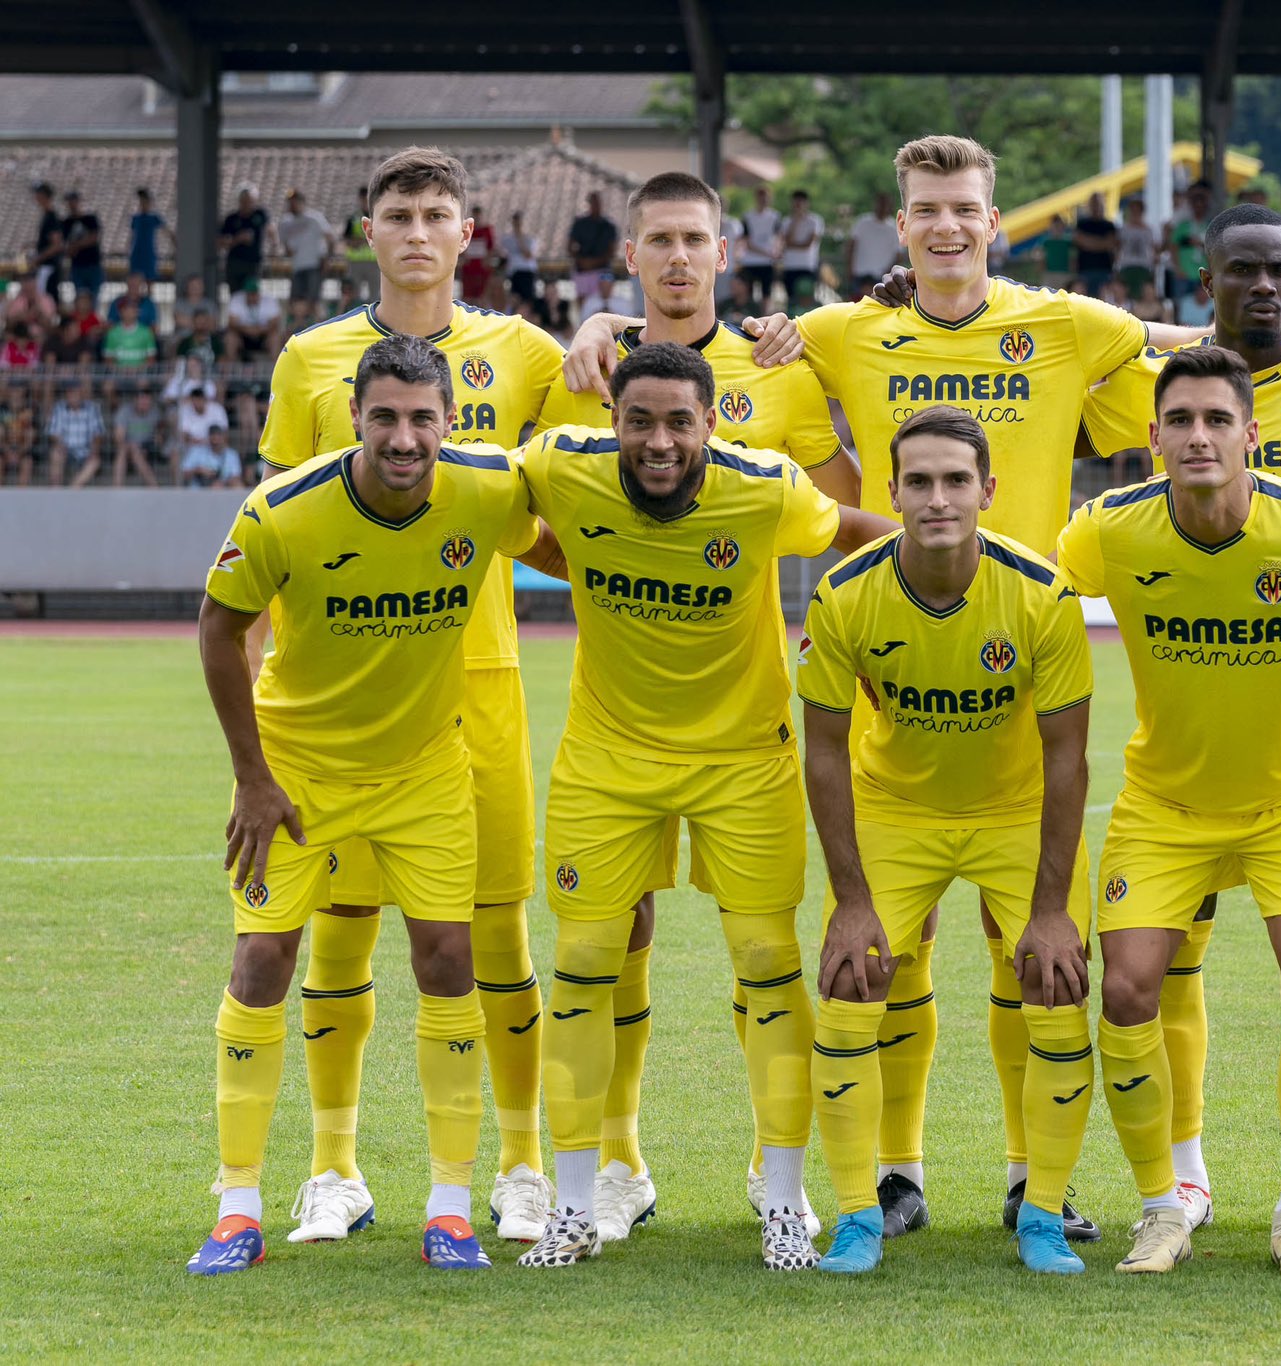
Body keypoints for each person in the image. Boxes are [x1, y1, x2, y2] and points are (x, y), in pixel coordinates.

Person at [561, 135, 1281, 1244]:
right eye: (927, 209)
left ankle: (1036, 1180)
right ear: (900, 226)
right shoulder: (841, 331)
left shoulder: (1065, 323)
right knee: (892, 958)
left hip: (1026, 668)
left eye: (966, 209)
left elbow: (1206, 342)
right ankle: (893, 1173)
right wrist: (597, 323)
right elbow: (715, 339)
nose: (946, 226)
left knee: (1030, 955)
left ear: (996, 222)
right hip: (899, 666)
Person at [258, 145, 609, 1249]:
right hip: (340, 700)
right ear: (369, 230)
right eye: (398, 212)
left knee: (496, 934)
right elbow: (272, 522)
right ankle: (333, 1170)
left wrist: (607, 327)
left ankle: (515, 1163)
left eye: (436, 214)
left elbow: (568, 506)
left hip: (478, 682)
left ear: (469, 234)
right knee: (341, 932)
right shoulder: (310, 359)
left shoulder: (527, 353)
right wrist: (275, 687)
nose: (416, 230)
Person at [507, 341, 892, 1270]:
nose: (659, 441)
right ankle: (570, 1205)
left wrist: (944, 580)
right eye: (639, 420)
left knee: (766, 965)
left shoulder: (765, 486)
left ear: (712, 425)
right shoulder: (560, 463)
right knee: (584, 964)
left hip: (742, 761)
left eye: (680, 421)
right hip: (608, 758)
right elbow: (484, 501)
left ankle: (786, 1203)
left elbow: (855, 532)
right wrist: (578, 559)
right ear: (613, 422)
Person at [185, 334, 541, 1276]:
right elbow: (219, 632)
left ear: (450, 421)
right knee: (262, 959)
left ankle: (452, 1207)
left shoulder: (488, 491)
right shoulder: (281, 512)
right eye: (384, 416)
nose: (403, 436)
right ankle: (237, 1205)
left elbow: (581, 532)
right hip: (299, 773)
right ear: (354, 418)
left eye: (423, 418)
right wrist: (254, 777)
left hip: (426, 770)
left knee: (450, 956)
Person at [1058, 345, 1281, 1277]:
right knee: (1127, 989)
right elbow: (1022, 597)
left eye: (1219, 420)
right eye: (1182, 421)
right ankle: (1162, 1207)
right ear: (1153, 438)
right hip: (1164, 803)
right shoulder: (1107, 532)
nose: (1200, 436)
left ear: (1255, 436)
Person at [570, 169, 850, 1242]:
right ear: (629, 257)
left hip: (747, 721)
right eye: (659, 241)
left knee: (762, 949)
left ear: (724, 255)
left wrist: (840, 638)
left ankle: (772, 1174)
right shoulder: (587, 367)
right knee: (615, 937)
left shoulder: (778, 370)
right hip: (619, 723)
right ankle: (617, 1164)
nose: (678, 258)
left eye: (696, 239)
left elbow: (827, 511)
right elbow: (549, 509)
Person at [798, 405, 1093, 1276]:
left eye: (956, 480)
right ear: (891, 492)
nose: (937, 498)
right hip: (896, 810)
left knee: (1059, 986)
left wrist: (1047, 911)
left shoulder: (1041, 594)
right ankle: (859, 1215)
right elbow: (821, 752)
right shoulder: (844, 593)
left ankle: (1040, 1211)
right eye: (918, 482)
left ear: (988, 491)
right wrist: (852, 901)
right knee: (851, 987)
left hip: (1015, 811)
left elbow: (1068, 761)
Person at [275, 191, 335, 306]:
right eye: (290, 203)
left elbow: (330, 237)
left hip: (314, 265)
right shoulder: (285, 222)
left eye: (294, 202)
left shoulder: (314, 218)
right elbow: (284, 243)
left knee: (313, 300)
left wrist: (328, 258)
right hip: (297, 266)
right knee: (296, 302)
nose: (292, 205)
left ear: (301, 202)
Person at [44, 380, 105, 487]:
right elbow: (53, 432)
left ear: (81, 393)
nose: (73, 395)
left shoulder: (93, 408)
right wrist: (60, 444)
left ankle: (71, 490)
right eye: (70, 393)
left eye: (76, 392)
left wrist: (94, 449)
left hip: (86, 450)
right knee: (55, 454)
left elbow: (98, 434)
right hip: (65, 448)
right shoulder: (59, 408)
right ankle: (55, 492)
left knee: (95, 462)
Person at [569, 192, 620, 318]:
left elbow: (612, 250)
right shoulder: (579, 223)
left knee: (601, 303)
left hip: (602, 271)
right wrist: (582, 261)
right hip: (582, 271)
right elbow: (570, 246)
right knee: (582, 302)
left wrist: (595, 262)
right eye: (593, 202)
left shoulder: (609, 226)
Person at [848, 192, 901, 298]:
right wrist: (849, 267)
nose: (883, 207)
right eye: (881, 203)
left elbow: (898, 255)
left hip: (881, 276)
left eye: (886, 204)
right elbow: (851, 246)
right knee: (855, 307)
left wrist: (887, 274)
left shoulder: (894, 228)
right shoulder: (862, 222)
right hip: (859, 273)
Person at [738, 185, 783, 307]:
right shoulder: (748, 216)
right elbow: (746, 242)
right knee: (748, 293)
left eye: (766, 198)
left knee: (766, 294)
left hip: (767, 262)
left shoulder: (775, 216)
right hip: (750, 261)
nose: (764, 200)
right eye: (761, 197)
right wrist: (767, 253)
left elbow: (779, 237)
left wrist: (777, 251)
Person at [779, 190, 824, 311]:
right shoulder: (787, 221)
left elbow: (808, 244)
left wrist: (793, 244)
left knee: (808, 301)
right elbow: (786, 242)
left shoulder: (815, 220)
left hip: (808, 266)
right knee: (792, 301)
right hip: (790, 266)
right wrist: (796, 221)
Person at [219, 187, 269, 294]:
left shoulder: (260, 215)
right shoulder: (231, 219)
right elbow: (221, 242)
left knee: (252, 292)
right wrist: (238, 239)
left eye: (250, 201)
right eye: (244, 201)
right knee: (235, 294)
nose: (247, 204)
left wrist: (274, 243)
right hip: (235, 263)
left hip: (253, 263)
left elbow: (270, 229)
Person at [109, 386, 162, 487]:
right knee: (127, 449)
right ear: (135, 400)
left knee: (134, 450)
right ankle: (118, 486)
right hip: (127, 447)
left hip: (147, 447)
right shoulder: (125, 411)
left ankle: (153, 486)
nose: (145, 404)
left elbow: (159, 433)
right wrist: (129, 445)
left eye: (147, 401)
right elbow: (118, 436)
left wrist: (157, 438)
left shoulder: (155, 412)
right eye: (142, 400)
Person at [62, 190, 104, 308]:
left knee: (94, 299)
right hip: (77, 267)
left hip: (93, 265)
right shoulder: (66, 223)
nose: (71, 204)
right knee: (80, 299)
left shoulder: (90, 219)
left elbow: (94, 237)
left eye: (73, 201)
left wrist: (76, 245)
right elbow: (65, 245)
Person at [224, 277, 282, 362]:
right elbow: (231, 323)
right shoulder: (236, 299)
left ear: (258, 293)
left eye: (254, 294)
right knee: (230, 337)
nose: (251, 297)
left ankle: (275, 367)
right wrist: (248, 330)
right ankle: (230, 369)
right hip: (243, 336)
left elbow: (275, 323)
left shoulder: (270, 301)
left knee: (275, 337)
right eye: (249, 294)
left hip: (263, 336)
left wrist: (258, 330)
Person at [1074, 193, 1118, 298]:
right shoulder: (1081, 223)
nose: (1096, 206)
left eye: (1098, 203)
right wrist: (1102, 242)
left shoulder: (1109, 225)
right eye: (1094, 203)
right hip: (1085, 270)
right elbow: (1079, 240)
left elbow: (1111, 243)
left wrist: (1089, 241)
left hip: (1105, 270)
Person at [1117, 197, 1159, 300]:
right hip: (1126, 265)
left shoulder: (1149, 230)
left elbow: (1155, 249)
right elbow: (1117, 248)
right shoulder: (1123, 229)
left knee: (1143, 295)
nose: (1135, 213)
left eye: (1138, 210)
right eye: (1133, 210)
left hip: (1144, 266)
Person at [340, 186, 378, 301]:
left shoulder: (378, 216)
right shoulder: (353, 218)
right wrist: (359, 241)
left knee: (375, 293)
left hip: (374, 260)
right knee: (354, 293)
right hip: (356, 260)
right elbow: (346, 239)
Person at [180, 422, 245, 488]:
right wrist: (198, 471)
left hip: (223, 488)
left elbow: (236, 476)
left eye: (218, 437)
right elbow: (183, 474)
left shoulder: (232, 455)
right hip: (200, 489)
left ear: (224, 438)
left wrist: (222, 483)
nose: (215, 441)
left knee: (238, 485)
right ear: (208, 438)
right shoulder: (196, 451)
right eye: (213, 437)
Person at [503, 211, 540, 309]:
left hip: (527, 273)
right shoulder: (508, 239)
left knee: (528, 301)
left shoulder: (530, 239)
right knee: (515, 300)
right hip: (514, 274)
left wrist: (519, 238)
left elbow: (528, 255)